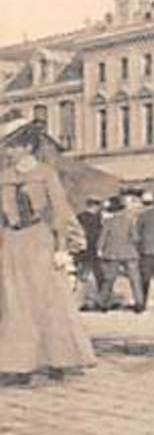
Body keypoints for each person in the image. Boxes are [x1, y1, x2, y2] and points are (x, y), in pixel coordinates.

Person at [0, 140, 95, 380]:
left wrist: (63, 247)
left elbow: (60, 210)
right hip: (11, 242)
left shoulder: (45, 174)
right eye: (6, 147)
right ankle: (19, 365)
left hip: (39, 239)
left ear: (27, 147)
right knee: (14, 302)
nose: (7, 151)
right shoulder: (4, 177)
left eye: (12, 146)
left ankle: (59, 359)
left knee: (49, 299)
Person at [97, 195, 140, 311]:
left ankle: (102, 303)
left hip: (112, 252)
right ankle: (139, 303)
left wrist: (100, 249)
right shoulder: (130, 221)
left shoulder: (108, 222)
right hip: (129, 252)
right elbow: (135, 237)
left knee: (109, 279)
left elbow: (102, 237)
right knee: (135, 279)